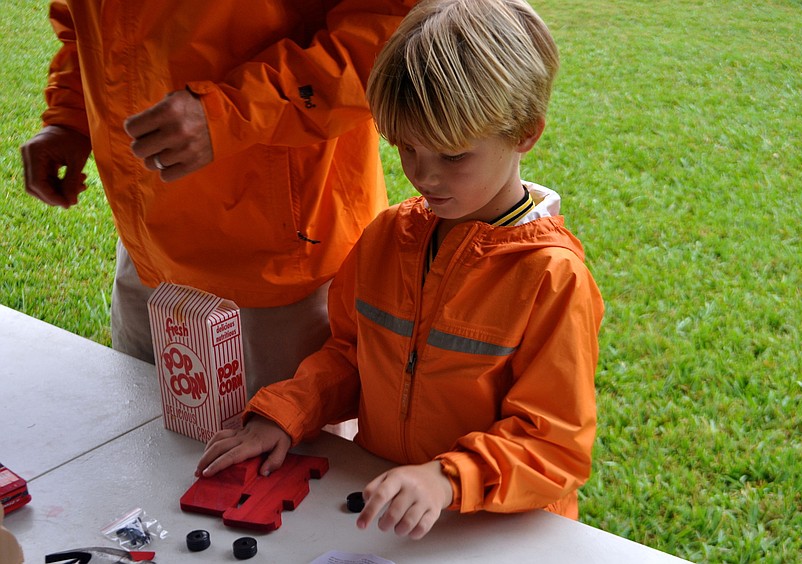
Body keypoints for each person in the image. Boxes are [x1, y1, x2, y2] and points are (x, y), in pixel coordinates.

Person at [197, 0, 604, 540]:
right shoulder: (387, 236)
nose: (423, 176)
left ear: (526, 132)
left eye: (453, 155)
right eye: (407, 148)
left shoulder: (552, 278)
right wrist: (284, 413)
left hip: (500, 534)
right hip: (388, 517)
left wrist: (446, 479)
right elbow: (349, 354)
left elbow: (554, 445)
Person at [20, 0, 416, 399]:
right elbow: (85, 20)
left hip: (282, 266)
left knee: (287, 453)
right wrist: (69, 119)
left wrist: (233, 112)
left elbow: (390, 31)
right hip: (147, 255)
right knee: (141, 440)